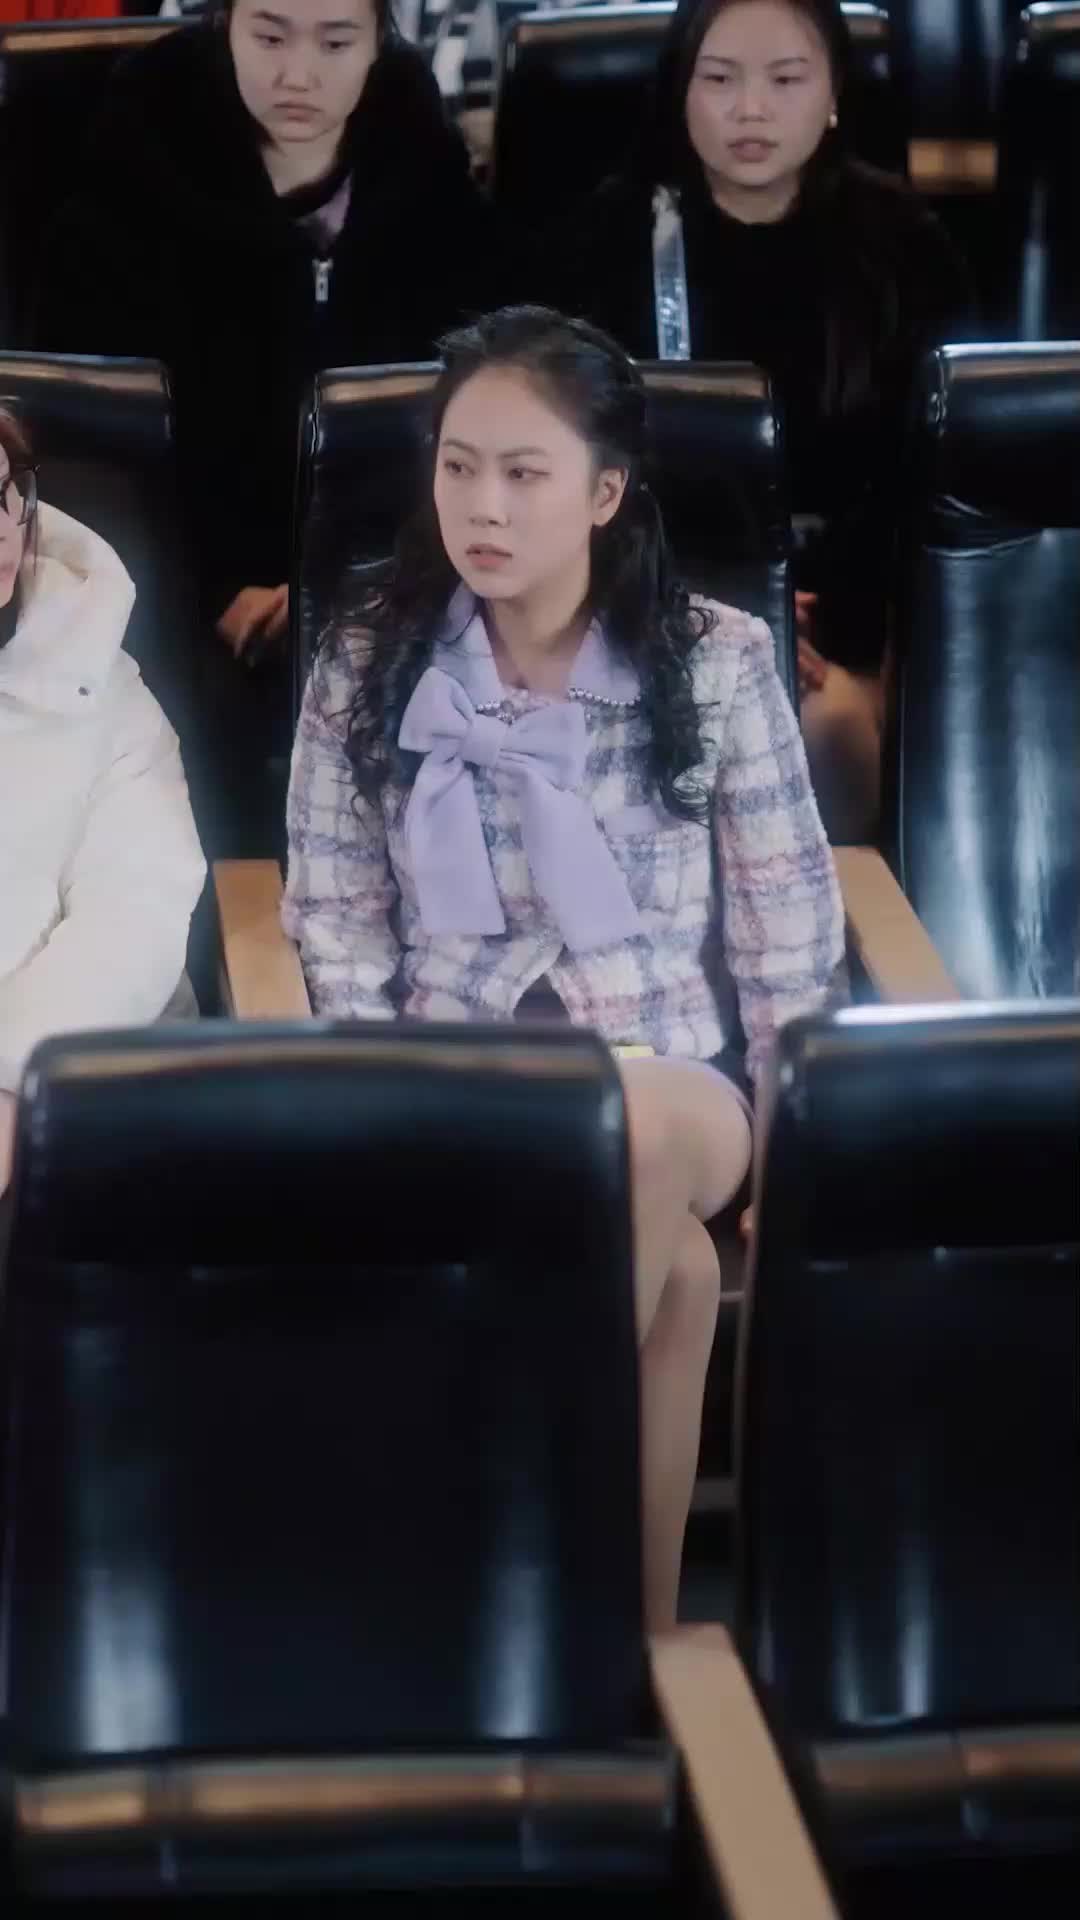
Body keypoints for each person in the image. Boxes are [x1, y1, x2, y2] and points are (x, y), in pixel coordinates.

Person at [283, 306, 845, 1627]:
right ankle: (618, 1645)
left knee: (627, 1137)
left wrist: (803, 1145)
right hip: (451, 1078)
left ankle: (483, 1562)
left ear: (603, 492)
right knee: (680, 1278)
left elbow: (788, 926)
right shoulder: (367, 657)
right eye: (458, 466)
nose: (483, 505)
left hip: (665, 1077)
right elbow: (336, 917)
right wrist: (368, 1111)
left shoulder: (716, 660)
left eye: (524, 473)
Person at [33, 0, 496, 851]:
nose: (298, 74)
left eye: (336, 41)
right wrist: (213, 587)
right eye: (270, 35)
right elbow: (88, 447)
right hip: (172, 591)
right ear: (226, 26)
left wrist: (350, 582)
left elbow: (467, 422)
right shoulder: (125, 187)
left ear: (381, 39)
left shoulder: (430, 183)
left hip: (391, 582)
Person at [535, 0, 974, 843]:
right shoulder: (599, 245)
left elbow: (938, 478)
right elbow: (568, 470)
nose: (751, 110)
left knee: (833, 728)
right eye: (720, 79)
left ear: (834, 93)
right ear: (680, 89)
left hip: (859, 617)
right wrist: (723, 606)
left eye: (786, 79)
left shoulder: (908, 250)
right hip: (650, 602)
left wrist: (814, 619)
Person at [0, 408, 206, 1210]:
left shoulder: (102, 682)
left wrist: (12, 1081)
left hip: (71, 1095)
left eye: (6, 493)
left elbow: (135, 914)